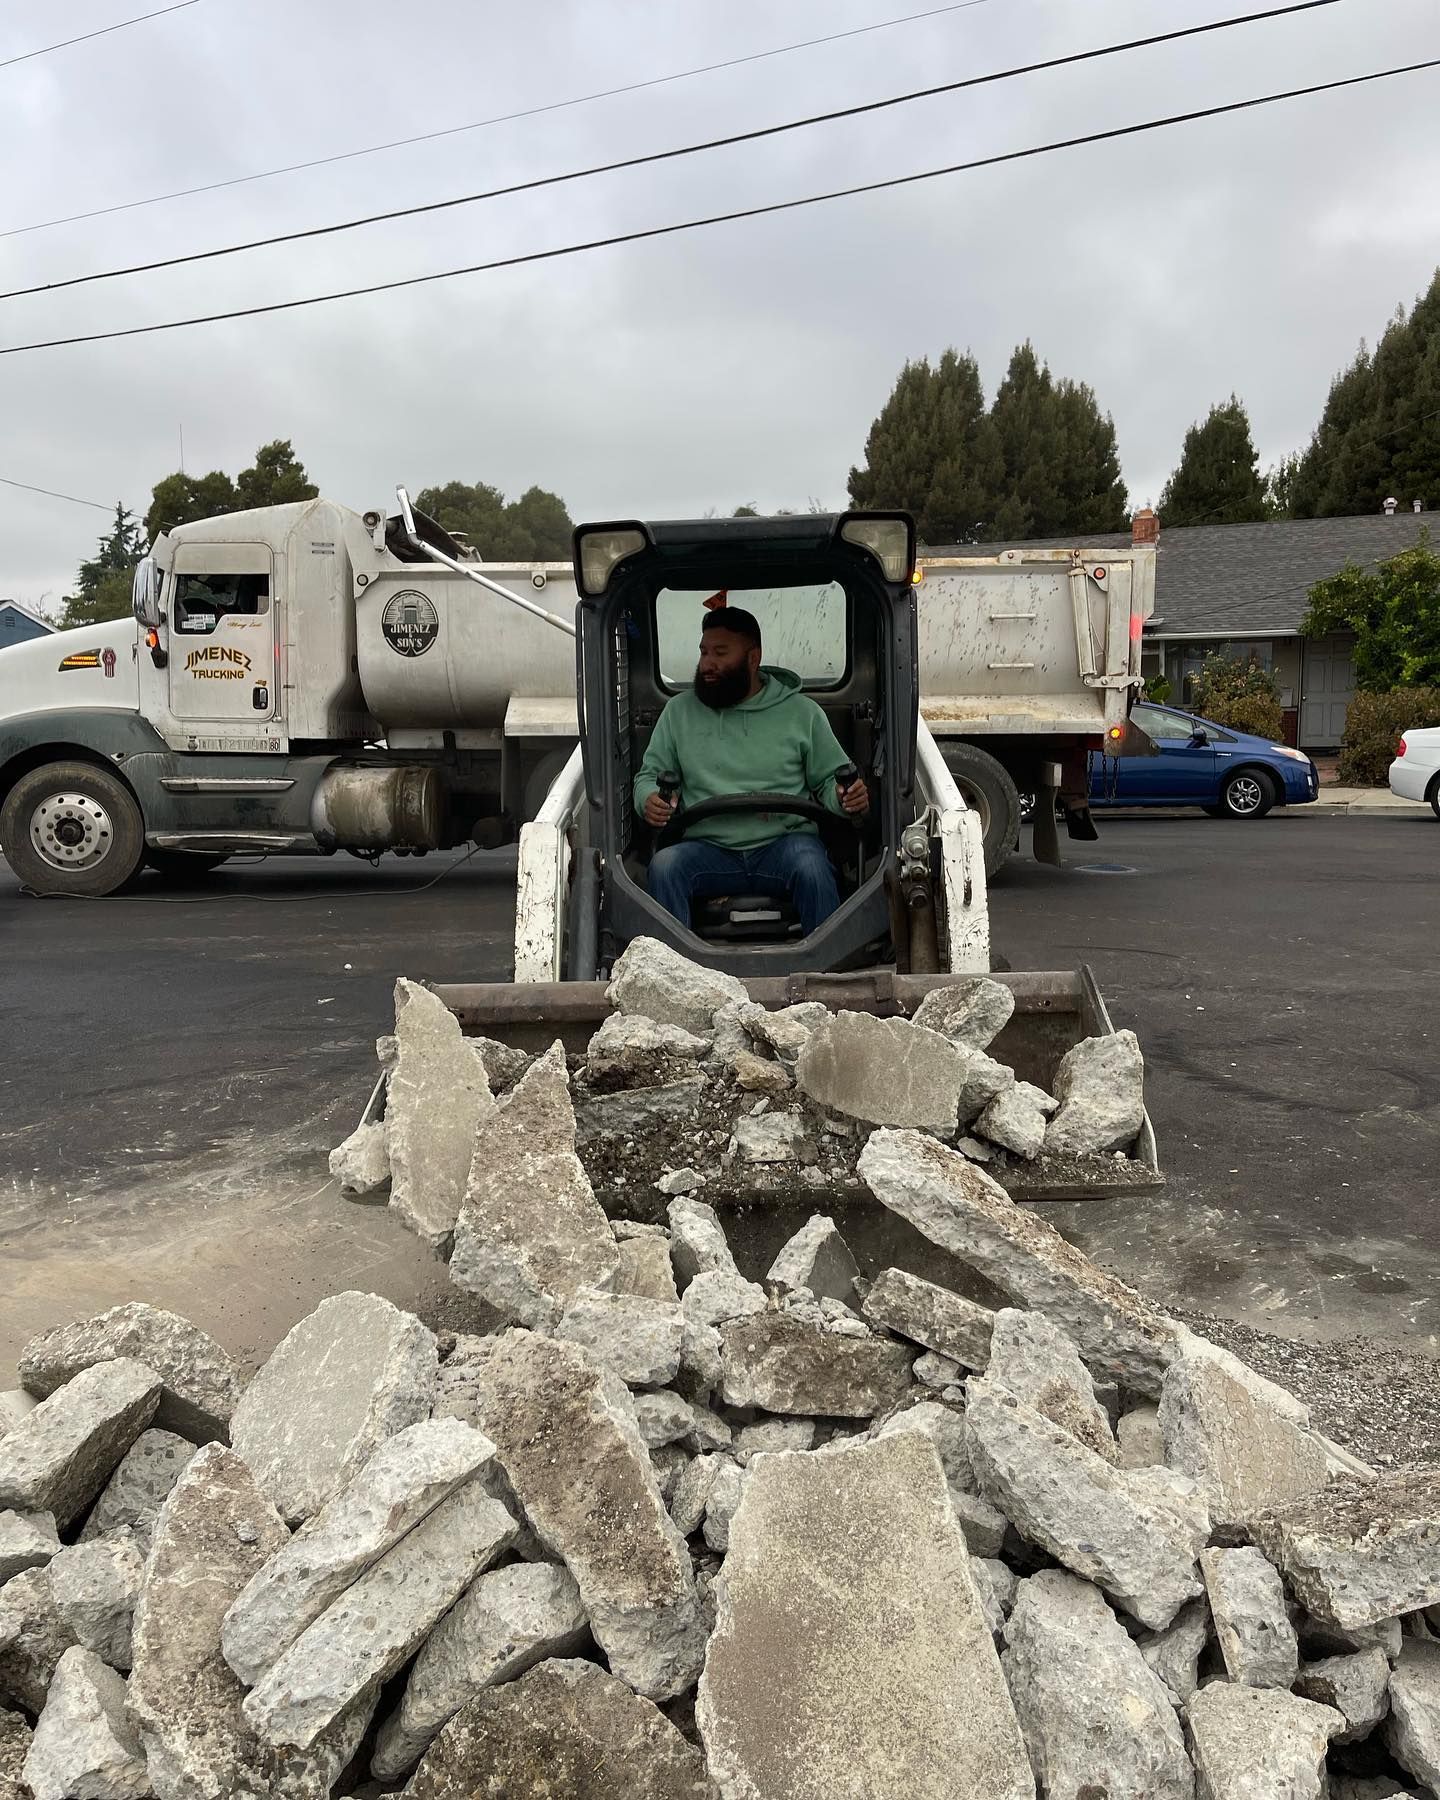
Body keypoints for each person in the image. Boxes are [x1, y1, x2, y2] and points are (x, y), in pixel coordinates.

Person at [634, 605, 869, 934]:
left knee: (813, 867)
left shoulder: (803, 713)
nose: (707, 663)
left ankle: (828, 975)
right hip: (708, 848)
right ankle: (675, 975)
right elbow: (648, 777)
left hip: (785, 844)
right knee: (664, 866)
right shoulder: (678, 713)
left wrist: (846, 797)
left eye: (720, 652)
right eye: (703, 652)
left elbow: (831, 781)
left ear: (752, 658)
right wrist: (648, 799)